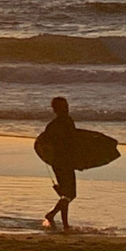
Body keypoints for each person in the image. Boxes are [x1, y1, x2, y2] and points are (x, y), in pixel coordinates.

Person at [43, 97, 77, 231]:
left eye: (66, 105)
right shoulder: (67, 121)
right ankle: (52, 215)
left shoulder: (52, 125)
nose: (67, 108)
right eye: (64, 106)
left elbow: (44, 144)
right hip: (65, 162)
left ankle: (65, 224)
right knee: (70, 194)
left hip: (57, 161)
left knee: (65, 194)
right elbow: (74, 141)